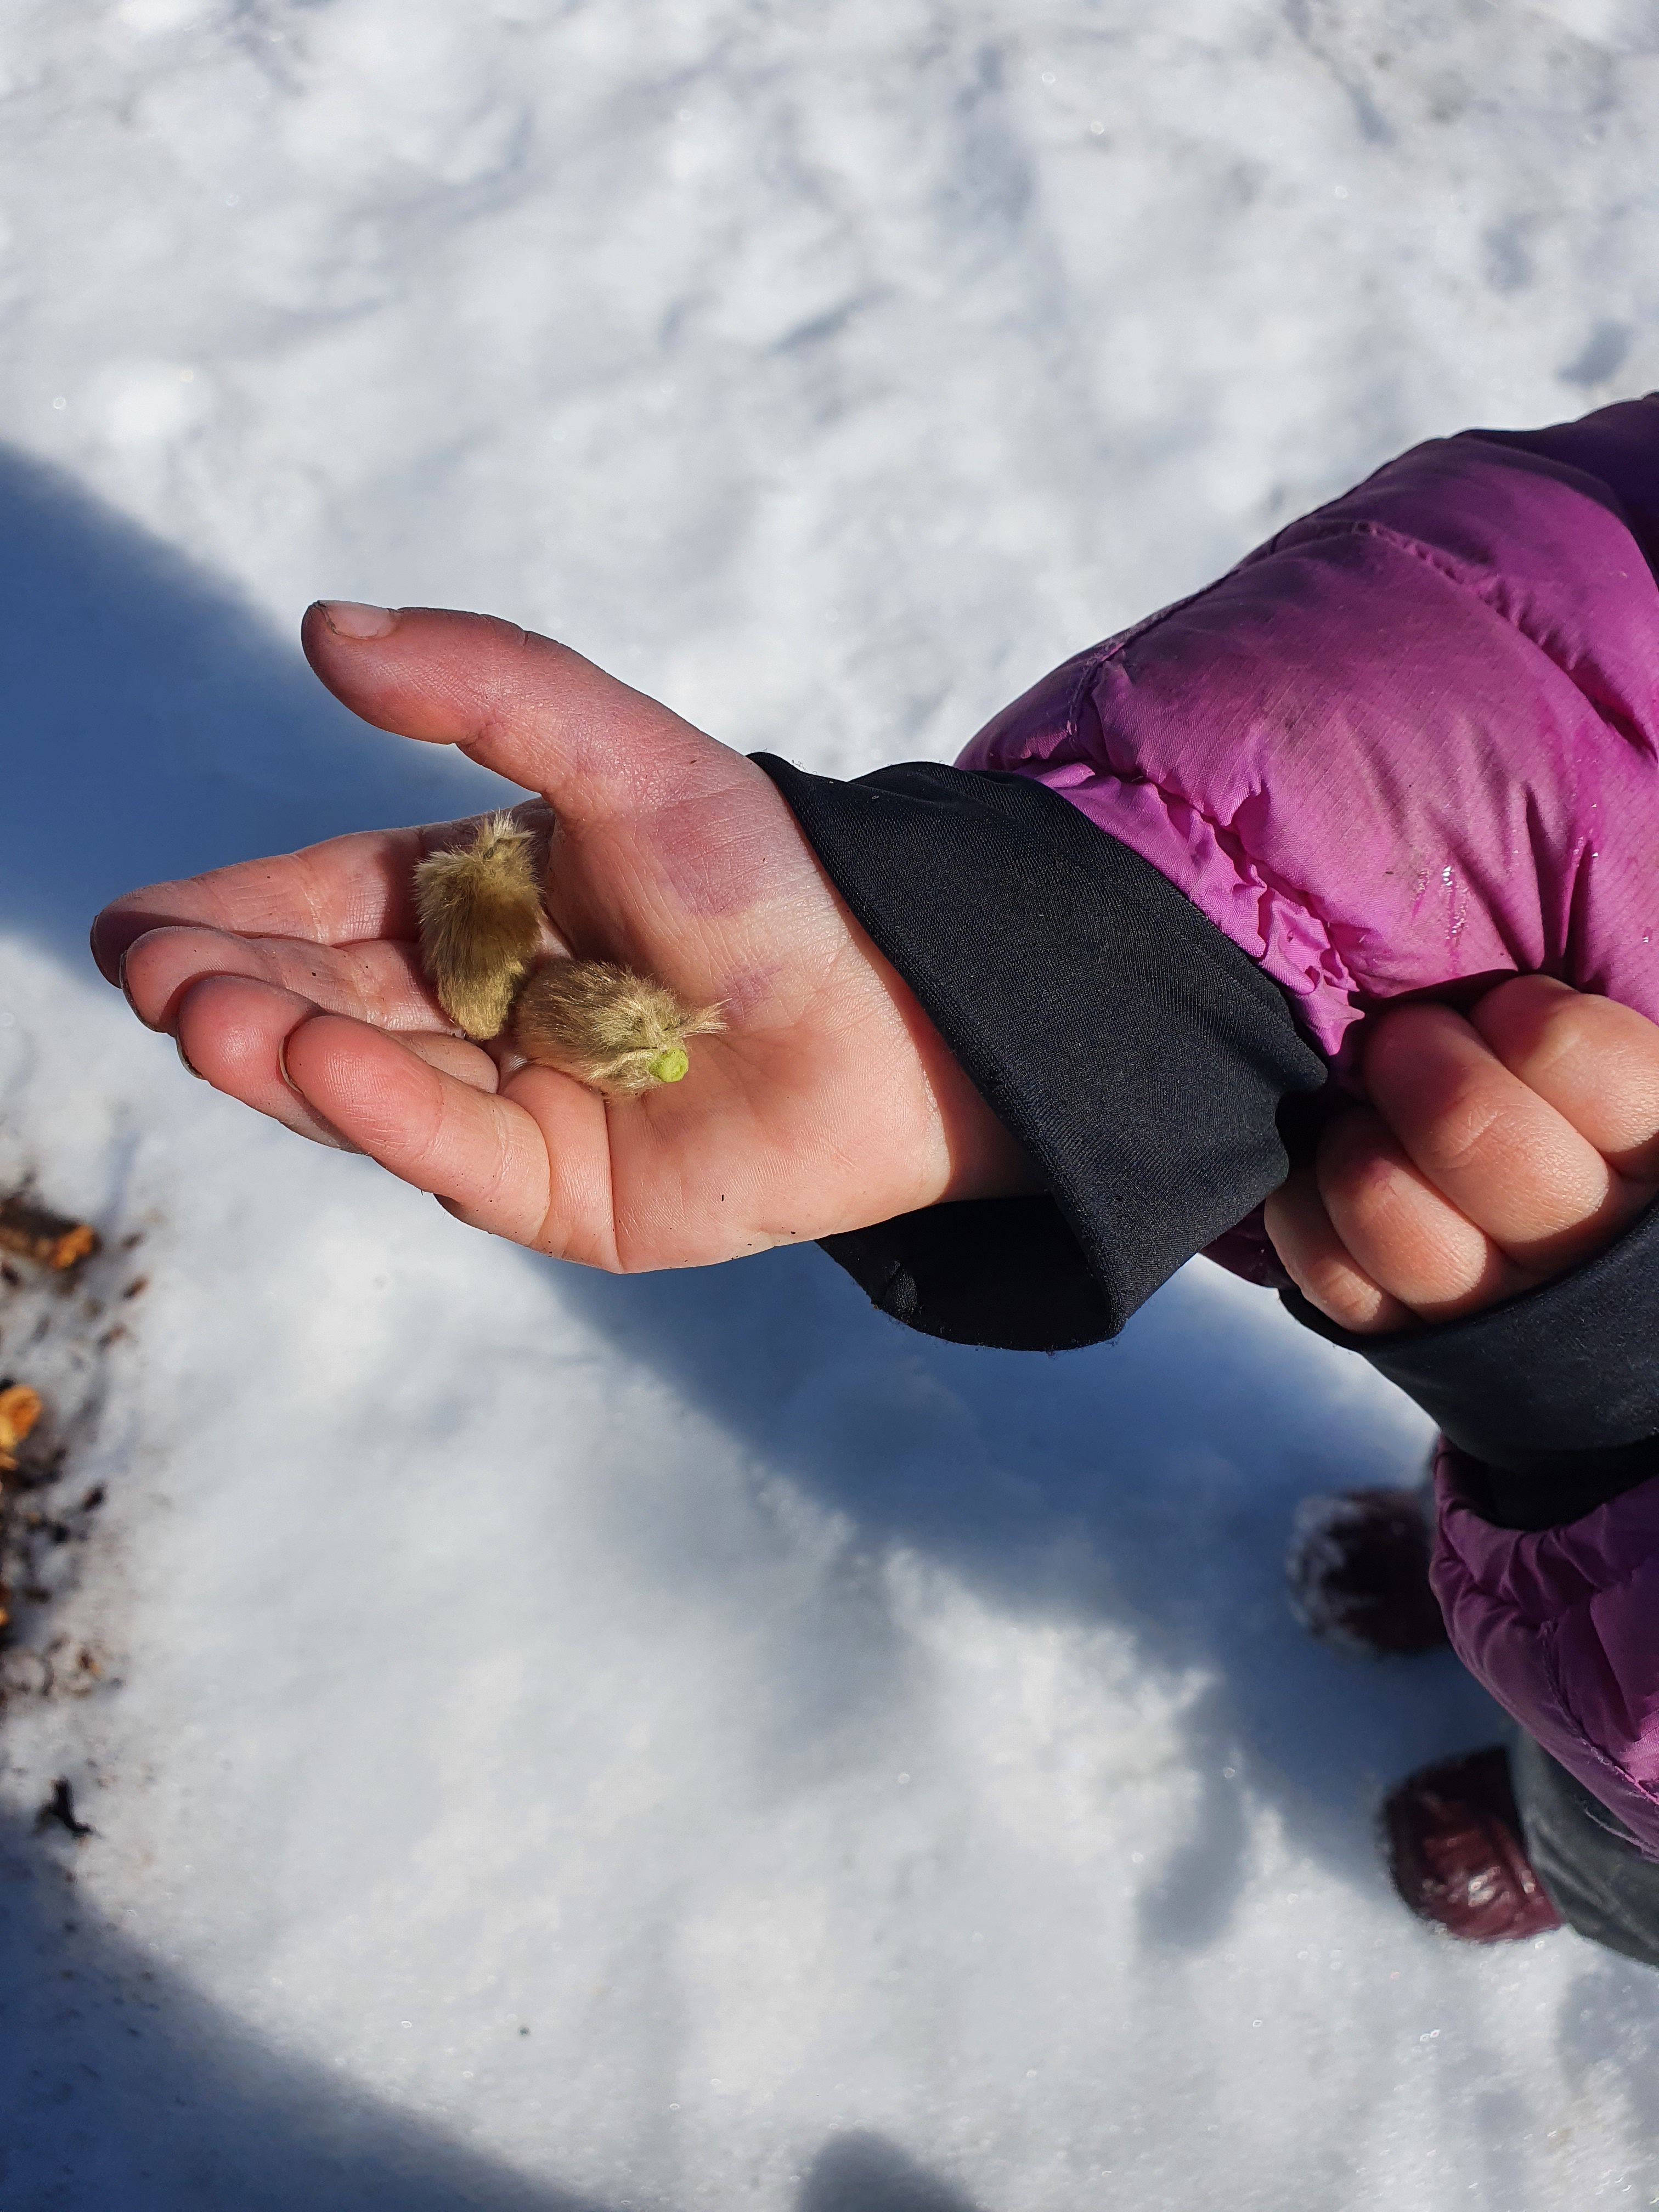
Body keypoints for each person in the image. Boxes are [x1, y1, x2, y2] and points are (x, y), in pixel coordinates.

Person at [91, 393, 1659, 1958]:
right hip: (1548, 1266)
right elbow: (1565, 638)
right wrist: (1079, 971)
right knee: (1521, 1517)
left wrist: (1615, 1414)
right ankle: (1517, 1592)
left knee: (1614, 1791)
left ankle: (1574, 1828)